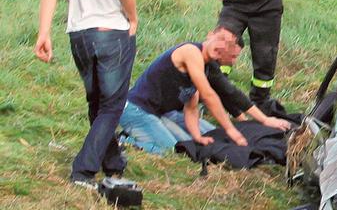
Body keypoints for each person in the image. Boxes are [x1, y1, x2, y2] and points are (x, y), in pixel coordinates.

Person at [34, 0, 140, 189]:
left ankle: (113, 161)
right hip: (111, 32)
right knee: (112, 104)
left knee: (96, 101)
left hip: (78, 33)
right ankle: (83, 170)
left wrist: (44, 32)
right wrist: (132, 17)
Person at [119, 28, 291, 155]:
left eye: (233, 56)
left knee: (201, 138)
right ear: (211, 35)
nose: (231, 58)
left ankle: (152, 133)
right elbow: (208, 95)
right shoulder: (190, 52)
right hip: (136, 110)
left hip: (163, 113)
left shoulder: (208, 68)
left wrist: (197, 137)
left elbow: (194, 107)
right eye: (220, 41)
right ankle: (123, 141)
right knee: (173, 150)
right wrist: (231, 129)